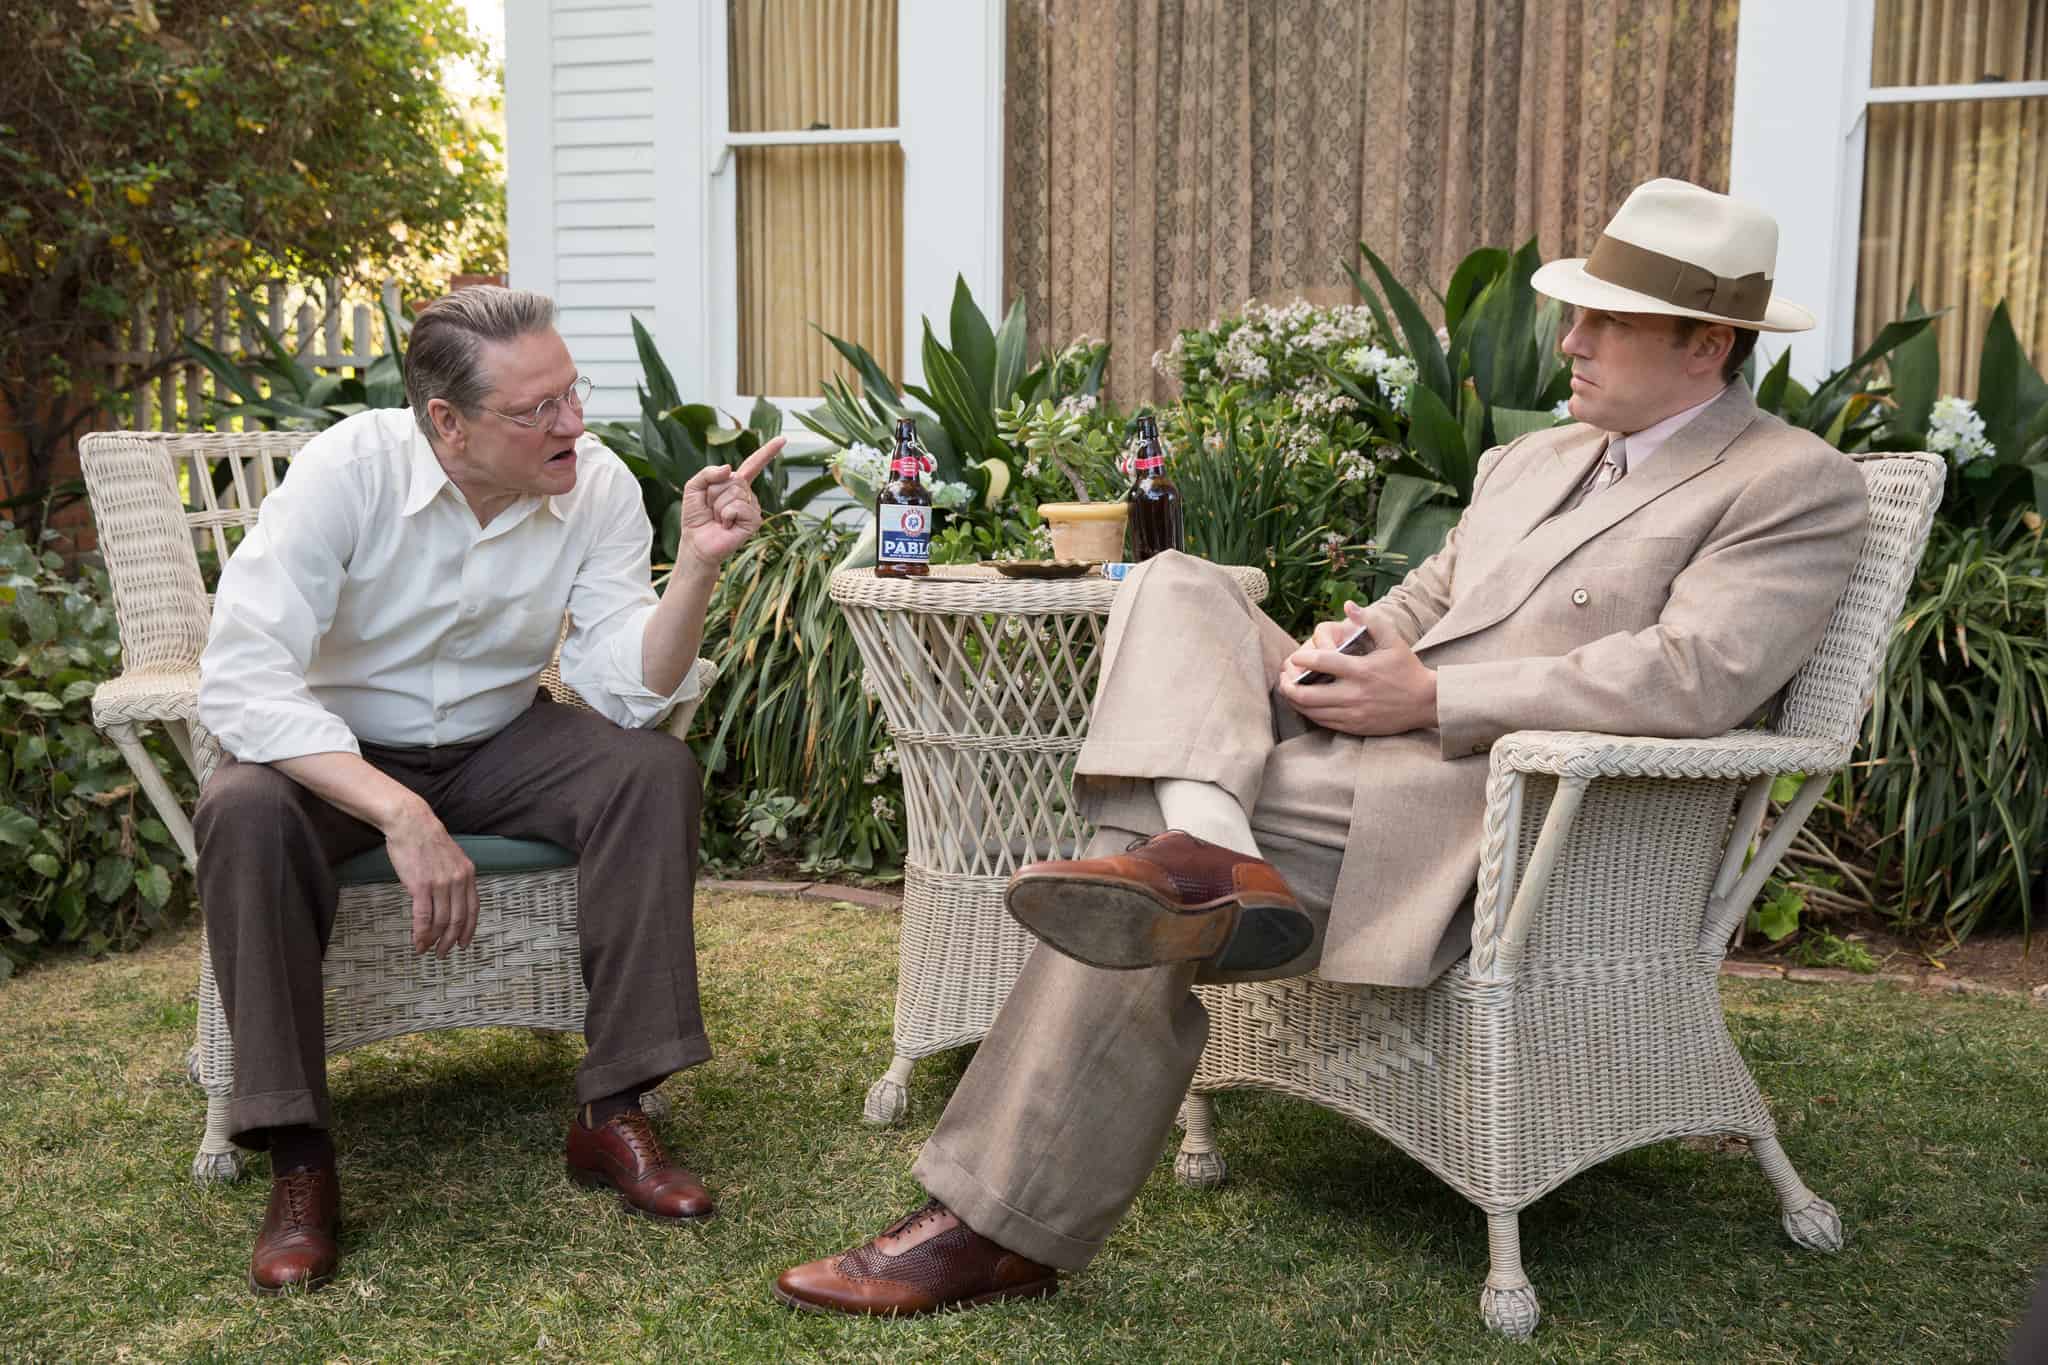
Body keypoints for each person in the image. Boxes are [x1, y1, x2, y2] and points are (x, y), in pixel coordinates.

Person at [774, 179, 1871, 1316]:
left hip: (1485, 804)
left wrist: (1427, 699)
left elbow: (1695, 679)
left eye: (1608, 321)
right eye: (1575, 312)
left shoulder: (1789, 484)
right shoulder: (1531, 461)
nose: (1571, 340)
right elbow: (1423, 599)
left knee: (1131, 850)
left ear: (1706, 344)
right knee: (1172, 580)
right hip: (1360, 749)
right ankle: (1215, 851)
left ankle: (990, 1220)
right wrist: (1349, 651)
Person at [194, 285, 782, 1294]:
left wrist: (693, 569)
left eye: (571, 393)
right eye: (535, 410)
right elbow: (244, 678)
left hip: (501, 738)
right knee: (242, 810)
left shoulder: (590, 483)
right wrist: (397, 809)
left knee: (650, 772)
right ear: (446, 422)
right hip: (340, 752)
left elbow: (626, 691)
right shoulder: (347, 473)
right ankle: (299, 1160)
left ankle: (613, 1111)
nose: (572, 423)